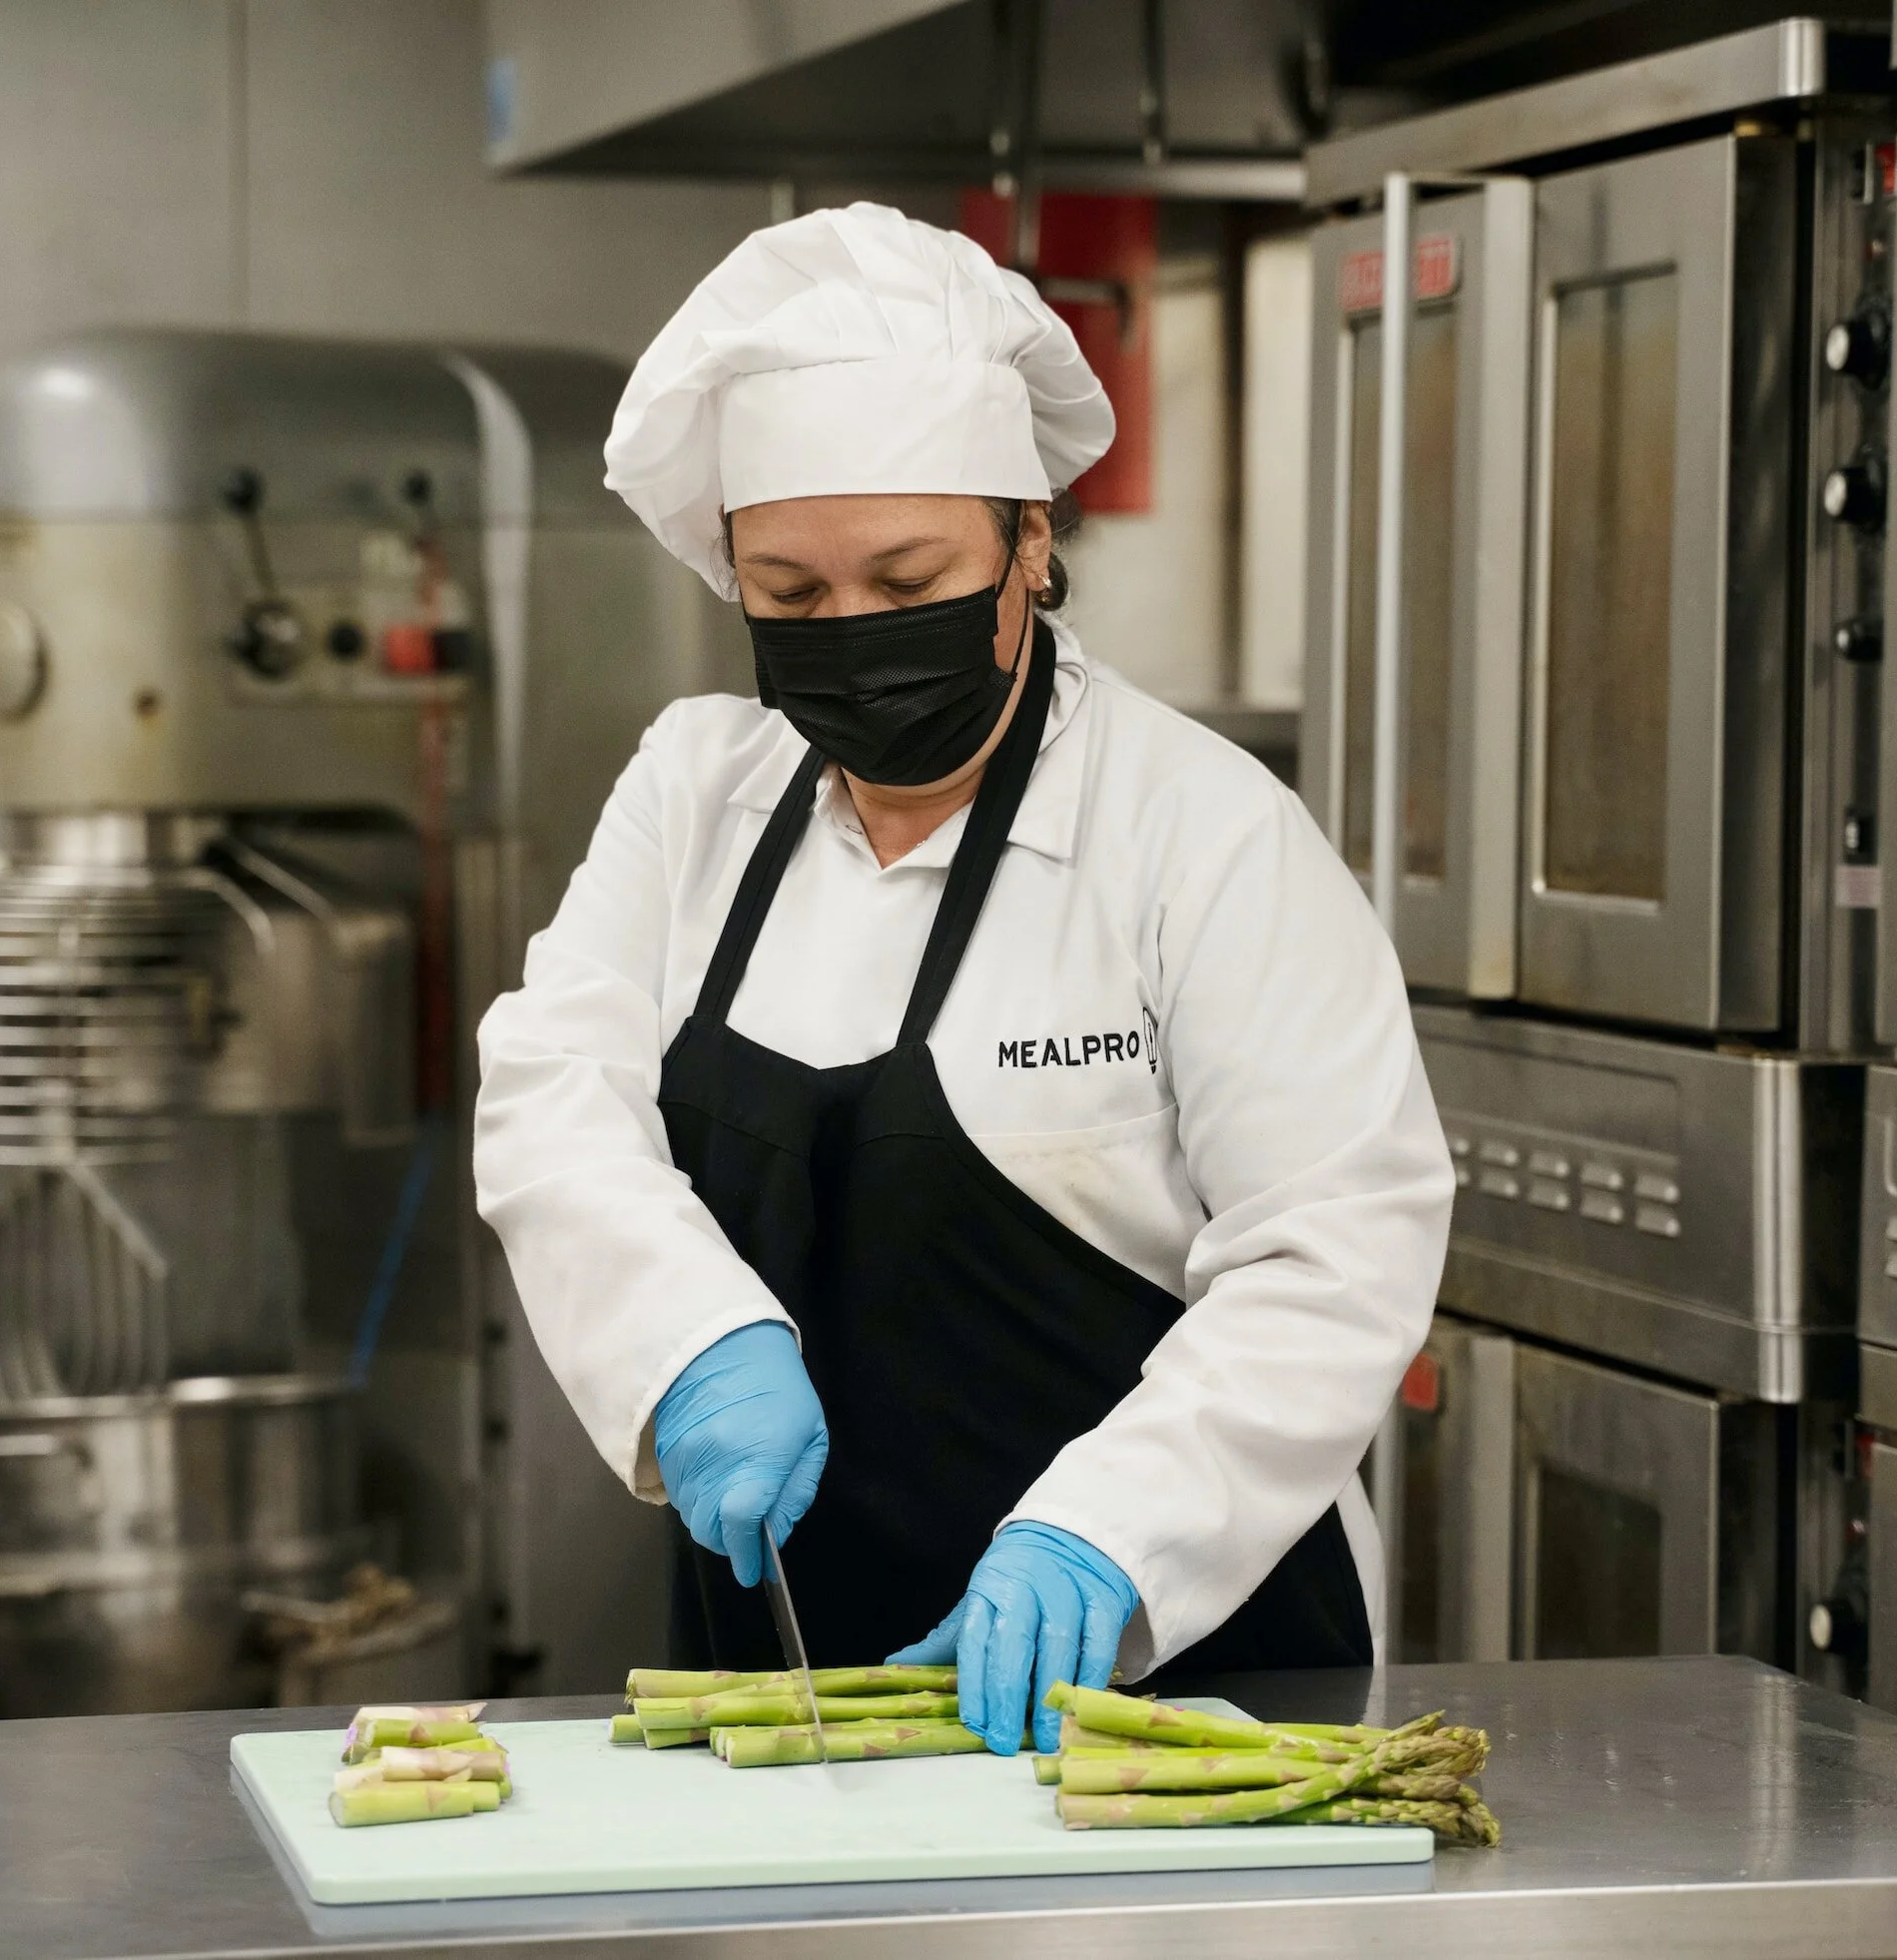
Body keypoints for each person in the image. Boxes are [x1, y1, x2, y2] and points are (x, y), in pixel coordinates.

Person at [473, 203, 1451, 1756]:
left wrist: (1108, 1536)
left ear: (1030, 543)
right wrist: (686, 1339)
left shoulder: (1197, 834)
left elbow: (1335, 1252)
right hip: (789, 1695)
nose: (851, 636)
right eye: (789, 598)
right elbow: (550, 1093)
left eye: (907, 574)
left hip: (1173, 1688)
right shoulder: (693, 790)